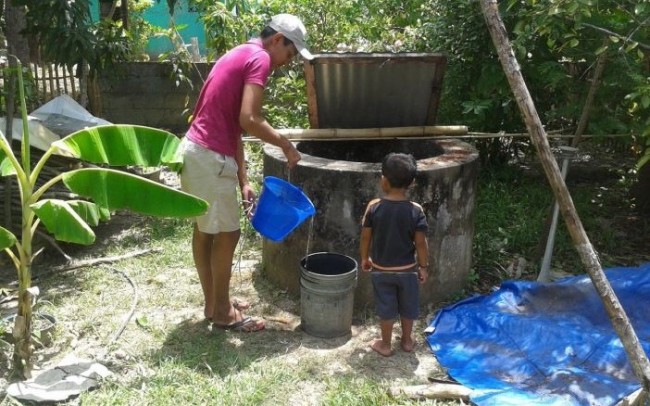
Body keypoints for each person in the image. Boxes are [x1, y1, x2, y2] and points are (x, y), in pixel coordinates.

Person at [179, 14, 313, 332]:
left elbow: (233, 126)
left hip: (196, 151)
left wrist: (242, 180)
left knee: (206, 231)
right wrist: (286, 144)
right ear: (278, 39)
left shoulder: (240, 52)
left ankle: (214, 303)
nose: (287, 62)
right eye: (291, 54)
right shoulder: (260, 59)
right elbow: (249, 119)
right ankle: (222, 312)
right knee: (228, 233)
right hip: (210, 156)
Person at [359, 153, 429, 356]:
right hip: (408, 270)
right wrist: (423, 267)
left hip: (381, 270)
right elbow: (421, 243)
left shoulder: (374, 207)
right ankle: (407, 341)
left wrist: (365, 258)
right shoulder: (416, 210)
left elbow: (365, 237)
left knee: (386, 307)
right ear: (412, 183)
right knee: (409, 306)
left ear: (384, 180)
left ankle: (386, 344)